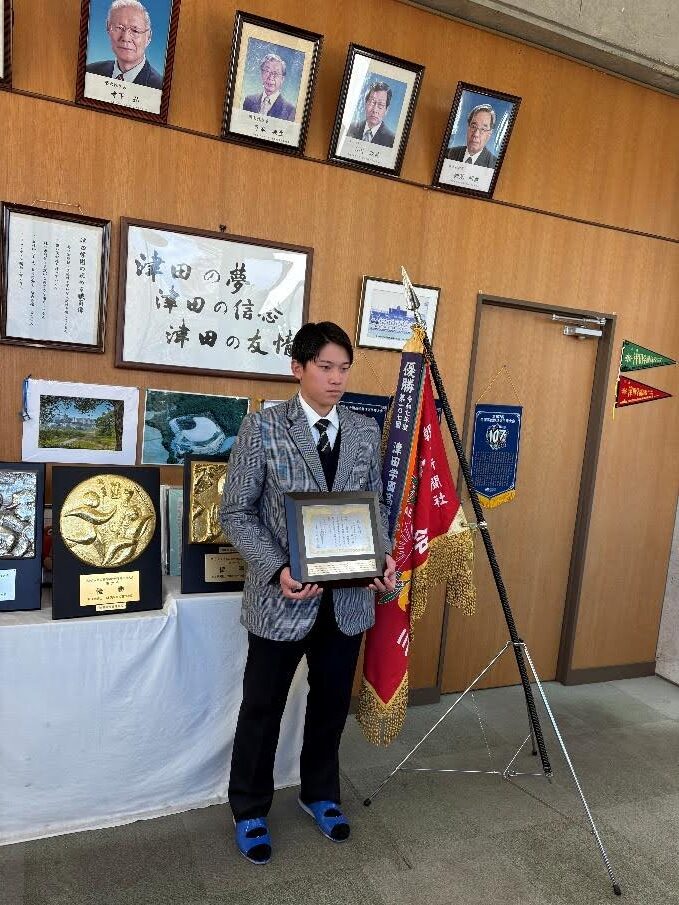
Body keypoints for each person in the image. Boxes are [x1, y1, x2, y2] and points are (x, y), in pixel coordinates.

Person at [221, 321, 396, 865]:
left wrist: (383, 557)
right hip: (283, 599)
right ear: (298, 368)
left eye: (344, 368)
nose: (336, 378)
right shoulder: (264, 427)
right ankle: (249, 807)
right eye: (325, 367)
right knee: (262, 706)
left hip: (347, 602)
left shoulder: (364, 430)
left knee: (330, 705)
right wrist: (277, 567)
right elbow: (236, 512)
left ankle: (320, 793)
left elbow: (375, 508)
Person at [86, 0, 163, 90]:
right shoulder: (90, 72)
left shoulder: (159, 87)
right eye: (119, 28)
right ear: (108, 28)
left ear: (148, 37)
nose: (126, 38)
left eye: (135, 31)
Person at [242, 53, 296, 121]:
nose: (270, 77)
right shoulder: (248, 101)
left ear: (282, 79)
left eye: (276, 73)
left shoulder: (290, 110)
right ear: (261, 73)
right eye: (267, 71)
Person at [445, 103, 498, 168]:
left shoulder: (494, 165)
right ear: (468, 127)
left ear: (489, 133)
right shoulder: (448, 154)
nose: (476, 134)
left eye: (483, 129)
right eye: (473, 126)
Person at [347, 81, 396, 148]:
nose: (374, 110)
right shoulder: (350, 128)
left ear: (386, 110)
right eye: (372, 103)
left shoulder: (392, 140)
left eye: (380, 105)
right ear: (365, 104)